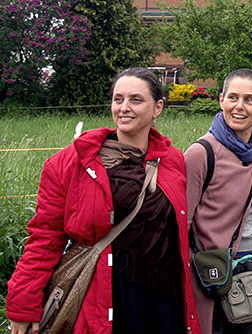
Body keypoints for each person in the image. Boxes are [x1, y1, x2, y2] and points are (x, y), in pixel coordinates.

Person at [7, 68, 200, 334]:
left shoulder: (172, 160)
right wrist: (22, 304)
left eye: (136, 99)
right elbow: (44, 238)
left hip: (162, 298)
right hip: (103, 295)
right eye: (118, 99)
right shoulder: (70, 164)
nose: (124, 108)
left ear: (157, 108)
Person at [185, 69, 252, 334]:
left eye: (249, 100)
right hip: (212, 272)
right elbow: (183, 221)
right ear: (221, 100)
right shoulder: (201, 153)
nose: (239, 106)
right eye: (233, 97)